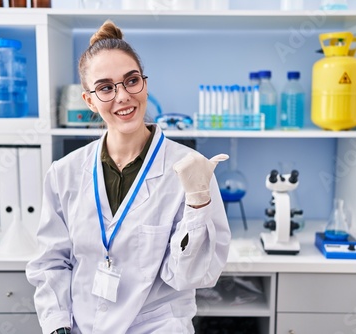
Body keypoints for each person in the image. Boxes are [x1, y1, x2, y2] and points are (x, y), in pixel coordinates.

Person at [26, 19, 231, 334]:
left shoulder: (190, 171)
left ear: (144, 84)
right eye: (106, 87)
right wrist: (58, 326)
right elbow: (51, 263)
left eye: (131, 80)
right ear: (90, 101)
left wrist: (198, 206)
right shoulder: (64, 173)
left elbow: (192, 277)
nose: (122, 96)